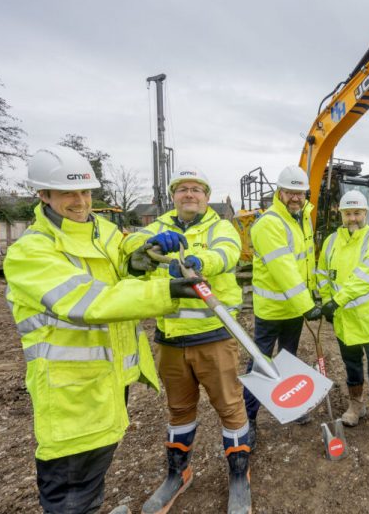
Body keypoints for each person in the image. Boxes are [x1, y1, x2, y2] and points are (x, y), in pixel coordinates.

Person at [3, 146, 201, 514]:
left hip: (108, 381)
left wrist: (149, 246)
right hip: (70, 393)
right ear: (43, 195)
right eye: (67, 193)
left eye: (85, 192)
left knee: (96, 472)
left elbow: (125, 245)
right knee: (70, 493)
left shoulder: (99, 229)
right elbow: (91, 302)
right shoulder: (30, 252)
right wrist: (165, 290)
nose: (80, 201)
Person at [122, 167, 251, 514]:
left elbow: (227, 254)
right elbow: (130, 245)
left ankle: (240, 477)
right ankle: (177, 474)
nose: (190, 194)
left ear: (206, 197)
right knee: (179, 410)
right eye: (183, 190)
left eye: (196, 189)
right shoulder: (159, 225)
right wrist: (146, 244)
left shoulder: (221, 226)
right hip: (170, 341)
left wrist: (199, 260)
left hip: (214, 337)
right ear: (174, 196)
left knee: (230, 407)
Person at [317, 190, 369, 458]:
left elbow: (367, 275)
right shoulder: (330, 242)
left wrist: (335, 300)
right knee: (352, 365)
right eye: (348, 213)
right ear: (341, 214)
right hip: (345, 321)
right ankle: (356, 406)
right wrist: (328, 300)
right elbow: (322, 274)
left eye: (357, 213)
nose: (352, 218)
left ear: (366, 214)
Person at [244, 165, 322, 445]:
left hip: (294, 309)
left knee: (289, 360)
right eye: (290, 192)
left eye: (299, 193)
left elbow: (307, 262)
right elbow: (284, 269)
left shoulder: (302, 219)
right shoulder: (269, 223)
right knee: (261, 363)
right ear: (279, 192)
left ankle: (293, 406)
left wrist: (314, 294)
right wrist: (307, 305)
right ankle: (248, 418)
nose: (295, 197)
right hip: (272, 310)